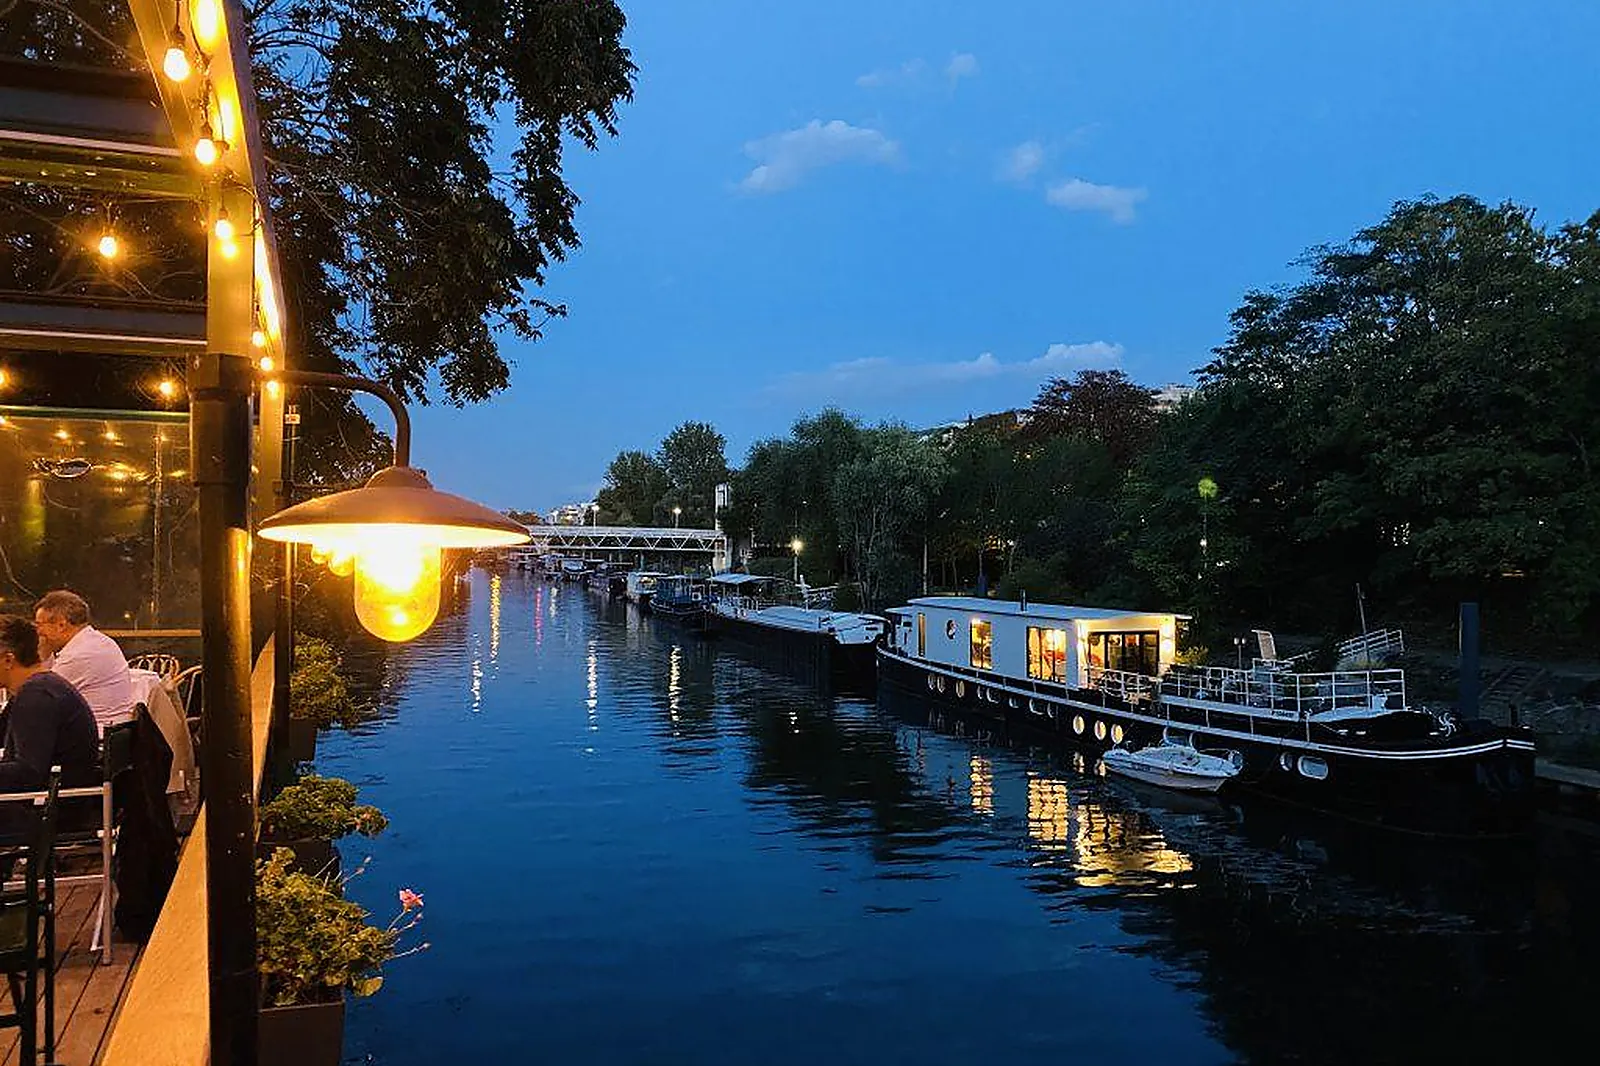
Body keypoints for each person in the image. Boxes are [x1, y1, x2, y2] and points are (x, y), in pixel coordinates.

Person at [0, 615, 101, 847]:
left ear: (8, 660)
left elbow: (29, 773)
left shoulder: (37, 697)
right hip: (57, 803)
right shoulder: (40, 687)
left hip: (51, 812)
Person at [34, 589, 135, 732]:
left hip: (95, 740)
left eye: (39, 624)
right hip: (112, 734)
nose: (38, 632)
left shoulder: (80, 654)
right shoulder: (97, 641)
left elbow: (36, 700)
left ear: (61, 625)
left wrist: (38, 656)